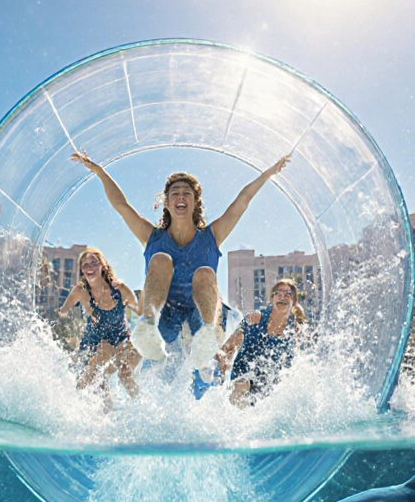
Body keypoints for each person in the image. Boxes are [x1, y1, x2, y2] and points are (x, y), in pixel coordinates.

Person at [71, 150, 291, 369]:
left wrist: (269, 173)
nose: (181, 197)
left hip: (201, 317)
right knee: (160, 259)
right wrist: (98, 171)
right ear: (166, 203)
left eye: (187, 193)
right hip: (164, 316)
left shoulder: (211, 237)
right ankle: (146, 324)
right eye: (175, 193)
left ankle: (207, 338)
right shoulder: (153, 237)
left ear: (195, 202)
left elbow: (242, 201)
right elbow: (122, 206)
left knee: (205, 272)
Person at [57, 248, 141, 397]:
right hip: (93, 344)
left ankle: (142, 407)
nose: (89, 268)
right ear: (82, 271)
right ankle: (74, 403)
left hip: (120, 339)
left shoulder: (119, 290)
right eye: (85, 265)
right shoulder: (80, 291)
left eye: (93, 263)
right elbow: (63, 312)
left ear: (103, 265)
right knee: (96, 381)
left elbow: (140, 312)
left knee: (125, 375)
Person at [215, 279, 305, 407]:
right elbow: (230, 346)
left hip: (269, 387)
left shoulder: (295, 332)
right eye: (278, 294)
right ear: (272, 299)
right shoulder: (255, 320)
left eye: (287, 294)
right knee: (242, 386)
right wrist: (222, 357)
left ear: (294, 302)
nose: (282, 298)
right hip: (242, 376)